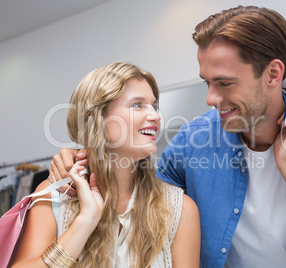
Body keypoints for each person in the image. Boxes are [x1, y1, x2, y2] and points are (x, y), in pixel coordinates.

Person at [49, 6, 286, 268]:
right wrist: (86, 155)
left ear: (273, 74)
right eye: (207, 82)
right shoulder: (193, 141)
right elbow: (137, 193)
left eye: (225, 83)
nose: (211, 98)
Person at [12, 62, 200, 267]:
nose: (155, 116)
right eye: (137, 105)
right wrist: (86, 221)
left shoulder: (179, 209)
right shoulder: (56, 197)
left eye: (154, 106)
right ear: (98, 118)